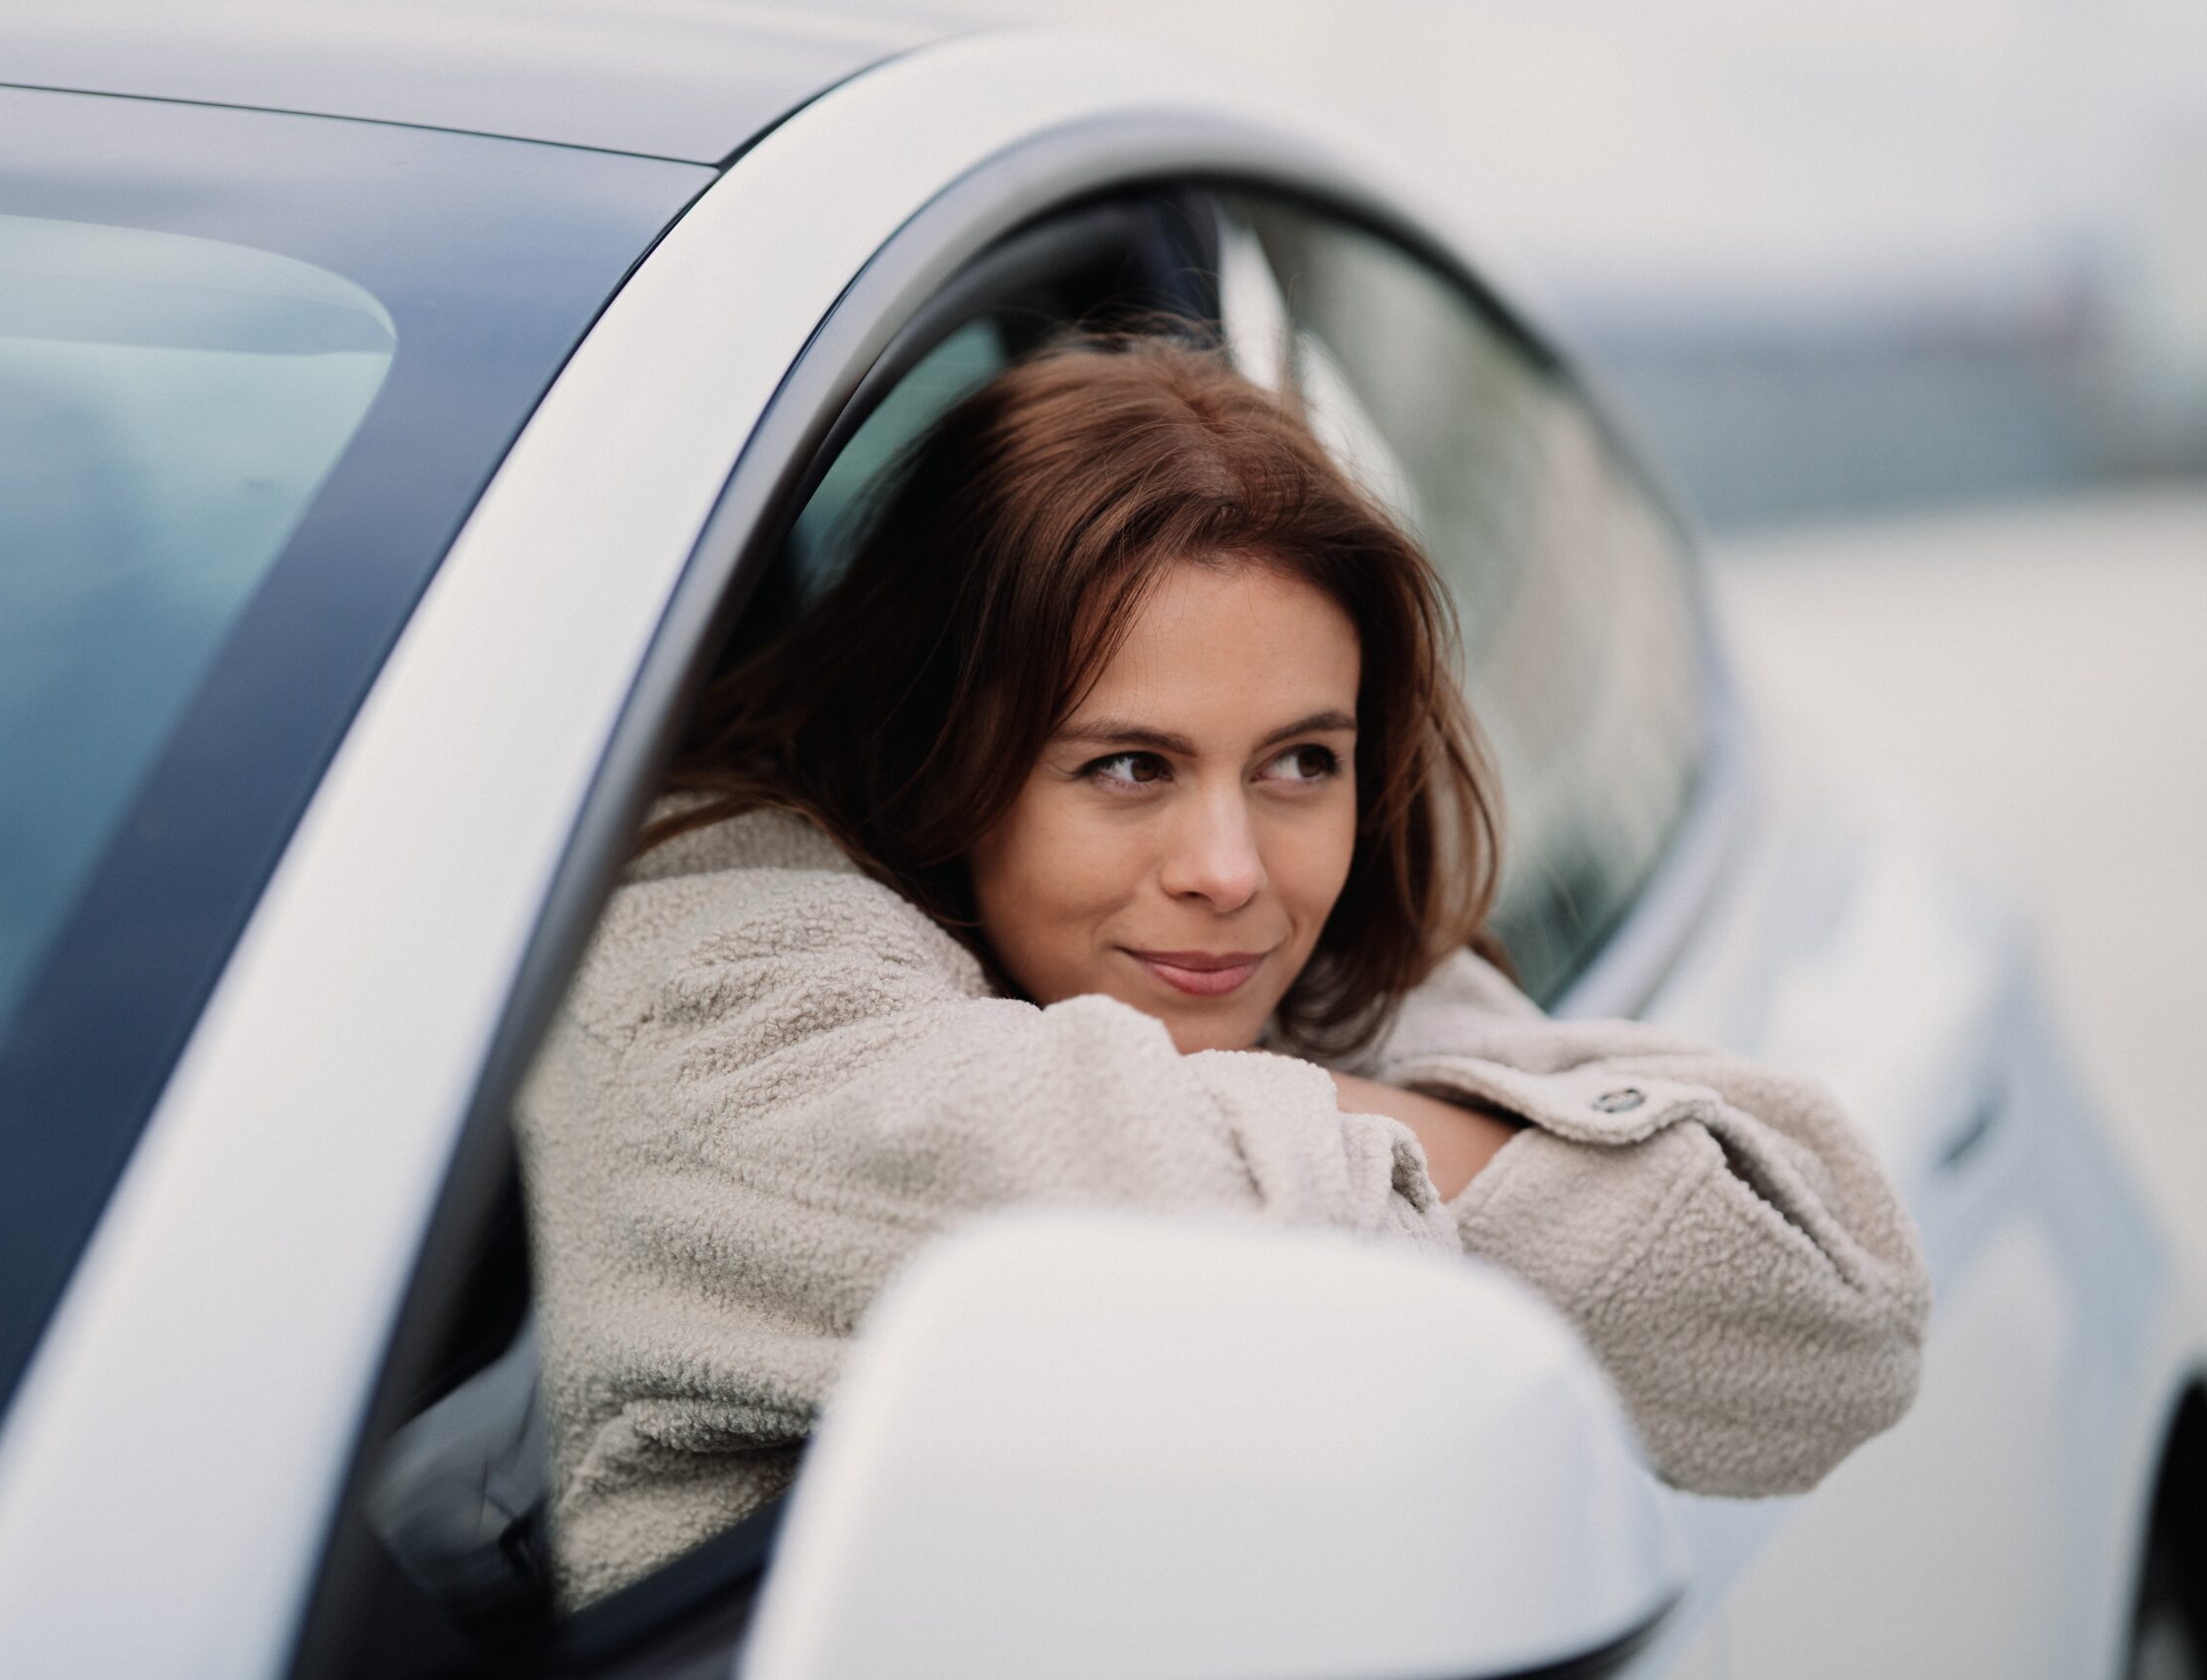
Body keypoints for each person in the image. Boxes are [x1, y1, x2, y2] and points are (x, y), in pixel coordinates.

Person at [515, 334, 1930, 1609]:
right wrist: (1390, 1130)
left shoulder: (1288, 964)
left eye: (1300, 761)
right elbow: (1135, 1192)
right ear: (932, 744)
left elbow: (1834, 1314)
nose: (1231, 869)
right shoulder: (711, 970)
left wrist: (1301, 1112)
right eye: (1129, 767)